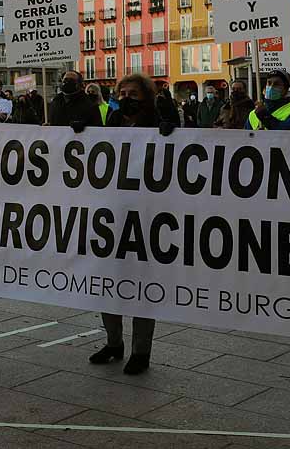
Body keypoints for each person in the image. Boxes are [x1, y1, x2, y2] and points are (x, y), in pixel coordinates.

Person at [92, 73, 171, 373]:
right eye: (122, 92)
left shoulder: (160, 121)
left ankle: (141, 352)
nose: (126, 98)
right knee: (107, 282)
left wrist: (172, 133)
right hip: (112, 212)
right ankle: (114, 343)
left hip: (147, 214)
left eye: (133, 93)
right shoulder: (113, 120)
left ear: (147, 97)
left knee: (141, 286)